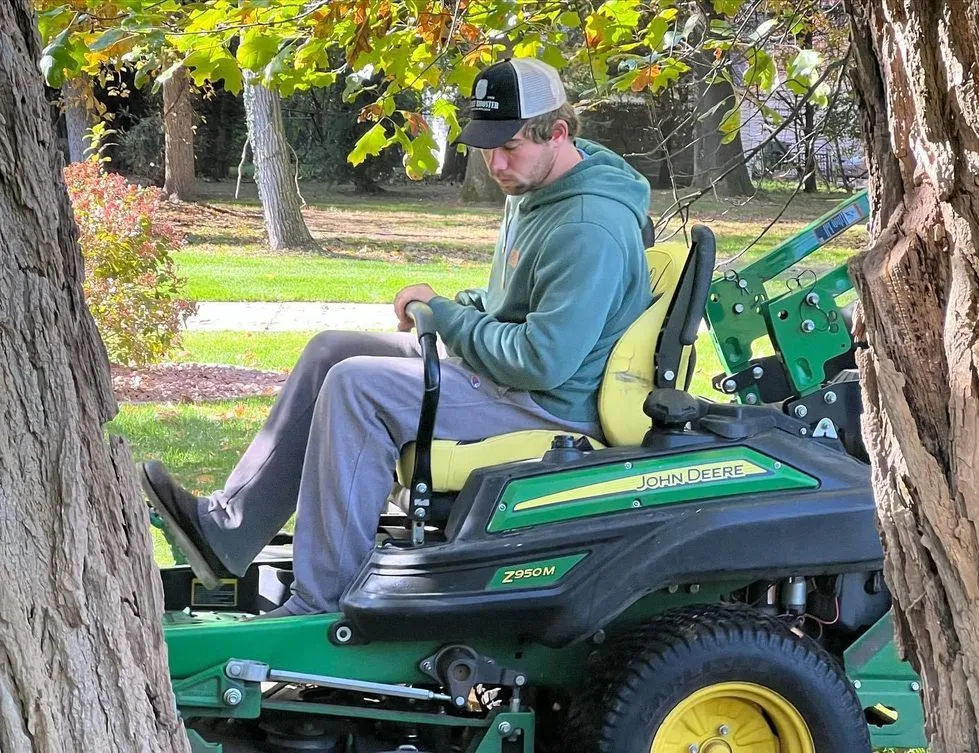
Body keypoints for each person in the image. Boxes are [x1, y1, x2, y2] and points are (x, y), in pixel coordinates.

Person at [142, 57, 653, 617]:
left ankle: (322, 603)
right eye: (487, 147)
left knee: (357, 387)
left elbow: (541, 361)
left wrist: (445, 316)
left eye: (510, 147)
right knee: (331, 350)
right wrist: (452, 308)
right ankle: (227, 530)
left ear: (557, 132)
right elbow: (513, 305)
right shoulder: (540, 188)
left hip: (546, 404)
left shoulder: (586, 226)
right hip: (508, 377)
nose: (497, 164)